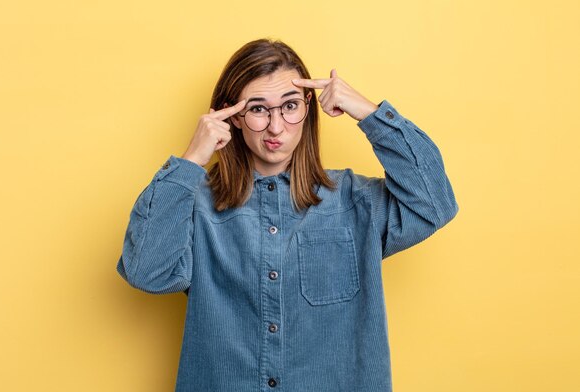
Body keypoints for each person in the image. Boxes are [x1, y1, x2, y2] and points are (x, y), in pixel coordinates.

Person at [117, 39, 458, 392]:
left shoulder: (356, 202)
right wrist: (190, 163)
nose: (276, 128)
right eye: (259, 110)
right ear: (231, 115)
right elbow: (146, 272)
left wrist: (368, 113)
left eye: (290, 106)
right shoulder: (196, 206)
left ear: (307, 107)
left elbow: (434, 204)